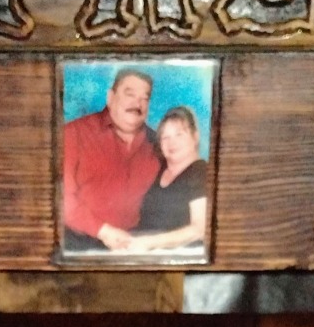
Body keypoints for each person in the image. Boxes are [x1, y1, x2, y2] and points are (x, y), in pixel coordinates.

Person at [61, 68, 160, 253]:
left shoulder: (159, 144)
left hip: (135, 246)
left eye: (144, 98)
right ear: (110, 97)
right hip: (78, 246)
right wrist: (103, 231)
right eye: (130, 94)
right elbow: (60, 199)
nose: (137, 104)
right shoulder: (73, 134)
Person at [125, 106, 209, 253]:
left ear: (195, 137)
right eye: (165, 137)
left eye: (179, 135)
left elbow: (199, 229)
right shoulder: (159, 168)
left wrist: (149, 243)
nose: (172, 142)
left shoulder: (201, 172)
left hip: (175, 253)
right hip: (138, 244)